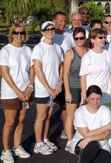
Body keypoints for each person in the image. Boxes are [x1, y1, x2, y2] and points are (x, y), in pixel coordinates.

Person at [0, 23, 33, 163]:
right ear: (12, 34)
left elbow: (31, 69)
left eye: (21, 33)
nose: (19, 35)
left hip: (25, 90)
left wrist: (30, 86)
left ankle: (17, 146)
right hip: (10, 92)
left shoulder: (27, 49)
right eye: (16, 32)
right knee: (9, 122)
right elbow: (5, 74)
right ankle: (6, 151)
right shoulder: (5, 51)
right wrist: (17, 91)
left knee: (21, 121)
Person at [32, 21, 64, 155]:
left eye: (52, 29)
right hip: (43, 89)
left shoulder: (57, 47)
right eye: (47, 29)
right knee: (41, 116)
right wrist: (48, 87)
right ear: (42, 32)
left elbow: (61, 66)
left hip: (54, 89)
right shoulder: (39, 48)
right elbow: (38, 70)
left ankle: (45, 139)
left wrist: (59, 83)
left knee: (49, 115)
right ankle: (38, 144)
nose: (50, 31)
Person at [70, 85, 111, 163]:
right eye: (92, 99)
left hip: (102, 145)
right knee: (93, 146)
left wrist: (90, 138)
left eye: (98, 99)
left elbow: (105, 135)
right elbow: (86, 134)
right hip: (82, 143)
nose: (95, 102)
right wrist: (107, 127)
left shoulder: (105, 110)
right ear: (87, 98)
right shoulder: (80, 112)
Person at [63, 27, 89, 153]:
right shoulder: (70, 53)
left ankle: (79, 138)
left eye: (81, 38)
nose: (79, 40)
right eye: (76, 38)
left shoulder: (89, 51)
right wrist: (67, 92)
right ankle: (69, 141)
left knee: (81, 114)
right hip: (73, 87)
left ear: (85, 38)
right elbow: (65, 74)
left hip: (85, 87)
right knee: (70, 115)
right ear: (74, 39)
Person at [80, 29, 111, 108]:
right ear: (92, 40)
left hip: (106, 96)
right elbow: (83, 78)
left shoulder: (108, 55)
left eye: (104, 37)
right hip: (92, 97)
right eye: (100, 38)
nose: (103, 40)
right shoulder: (87, 56)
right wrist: (84, 95)